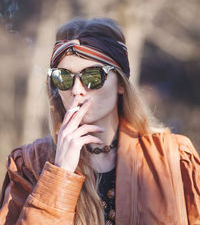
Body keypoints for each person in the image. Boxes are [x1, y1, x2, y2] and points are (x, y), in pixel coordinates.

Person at [0, 18, 200, 225]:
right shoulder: (29, 164)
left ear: (121, 84)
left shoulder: (174, 158)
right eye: (64, 78)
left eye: (92, 77)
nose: (76, 90)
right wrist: (60, 174)